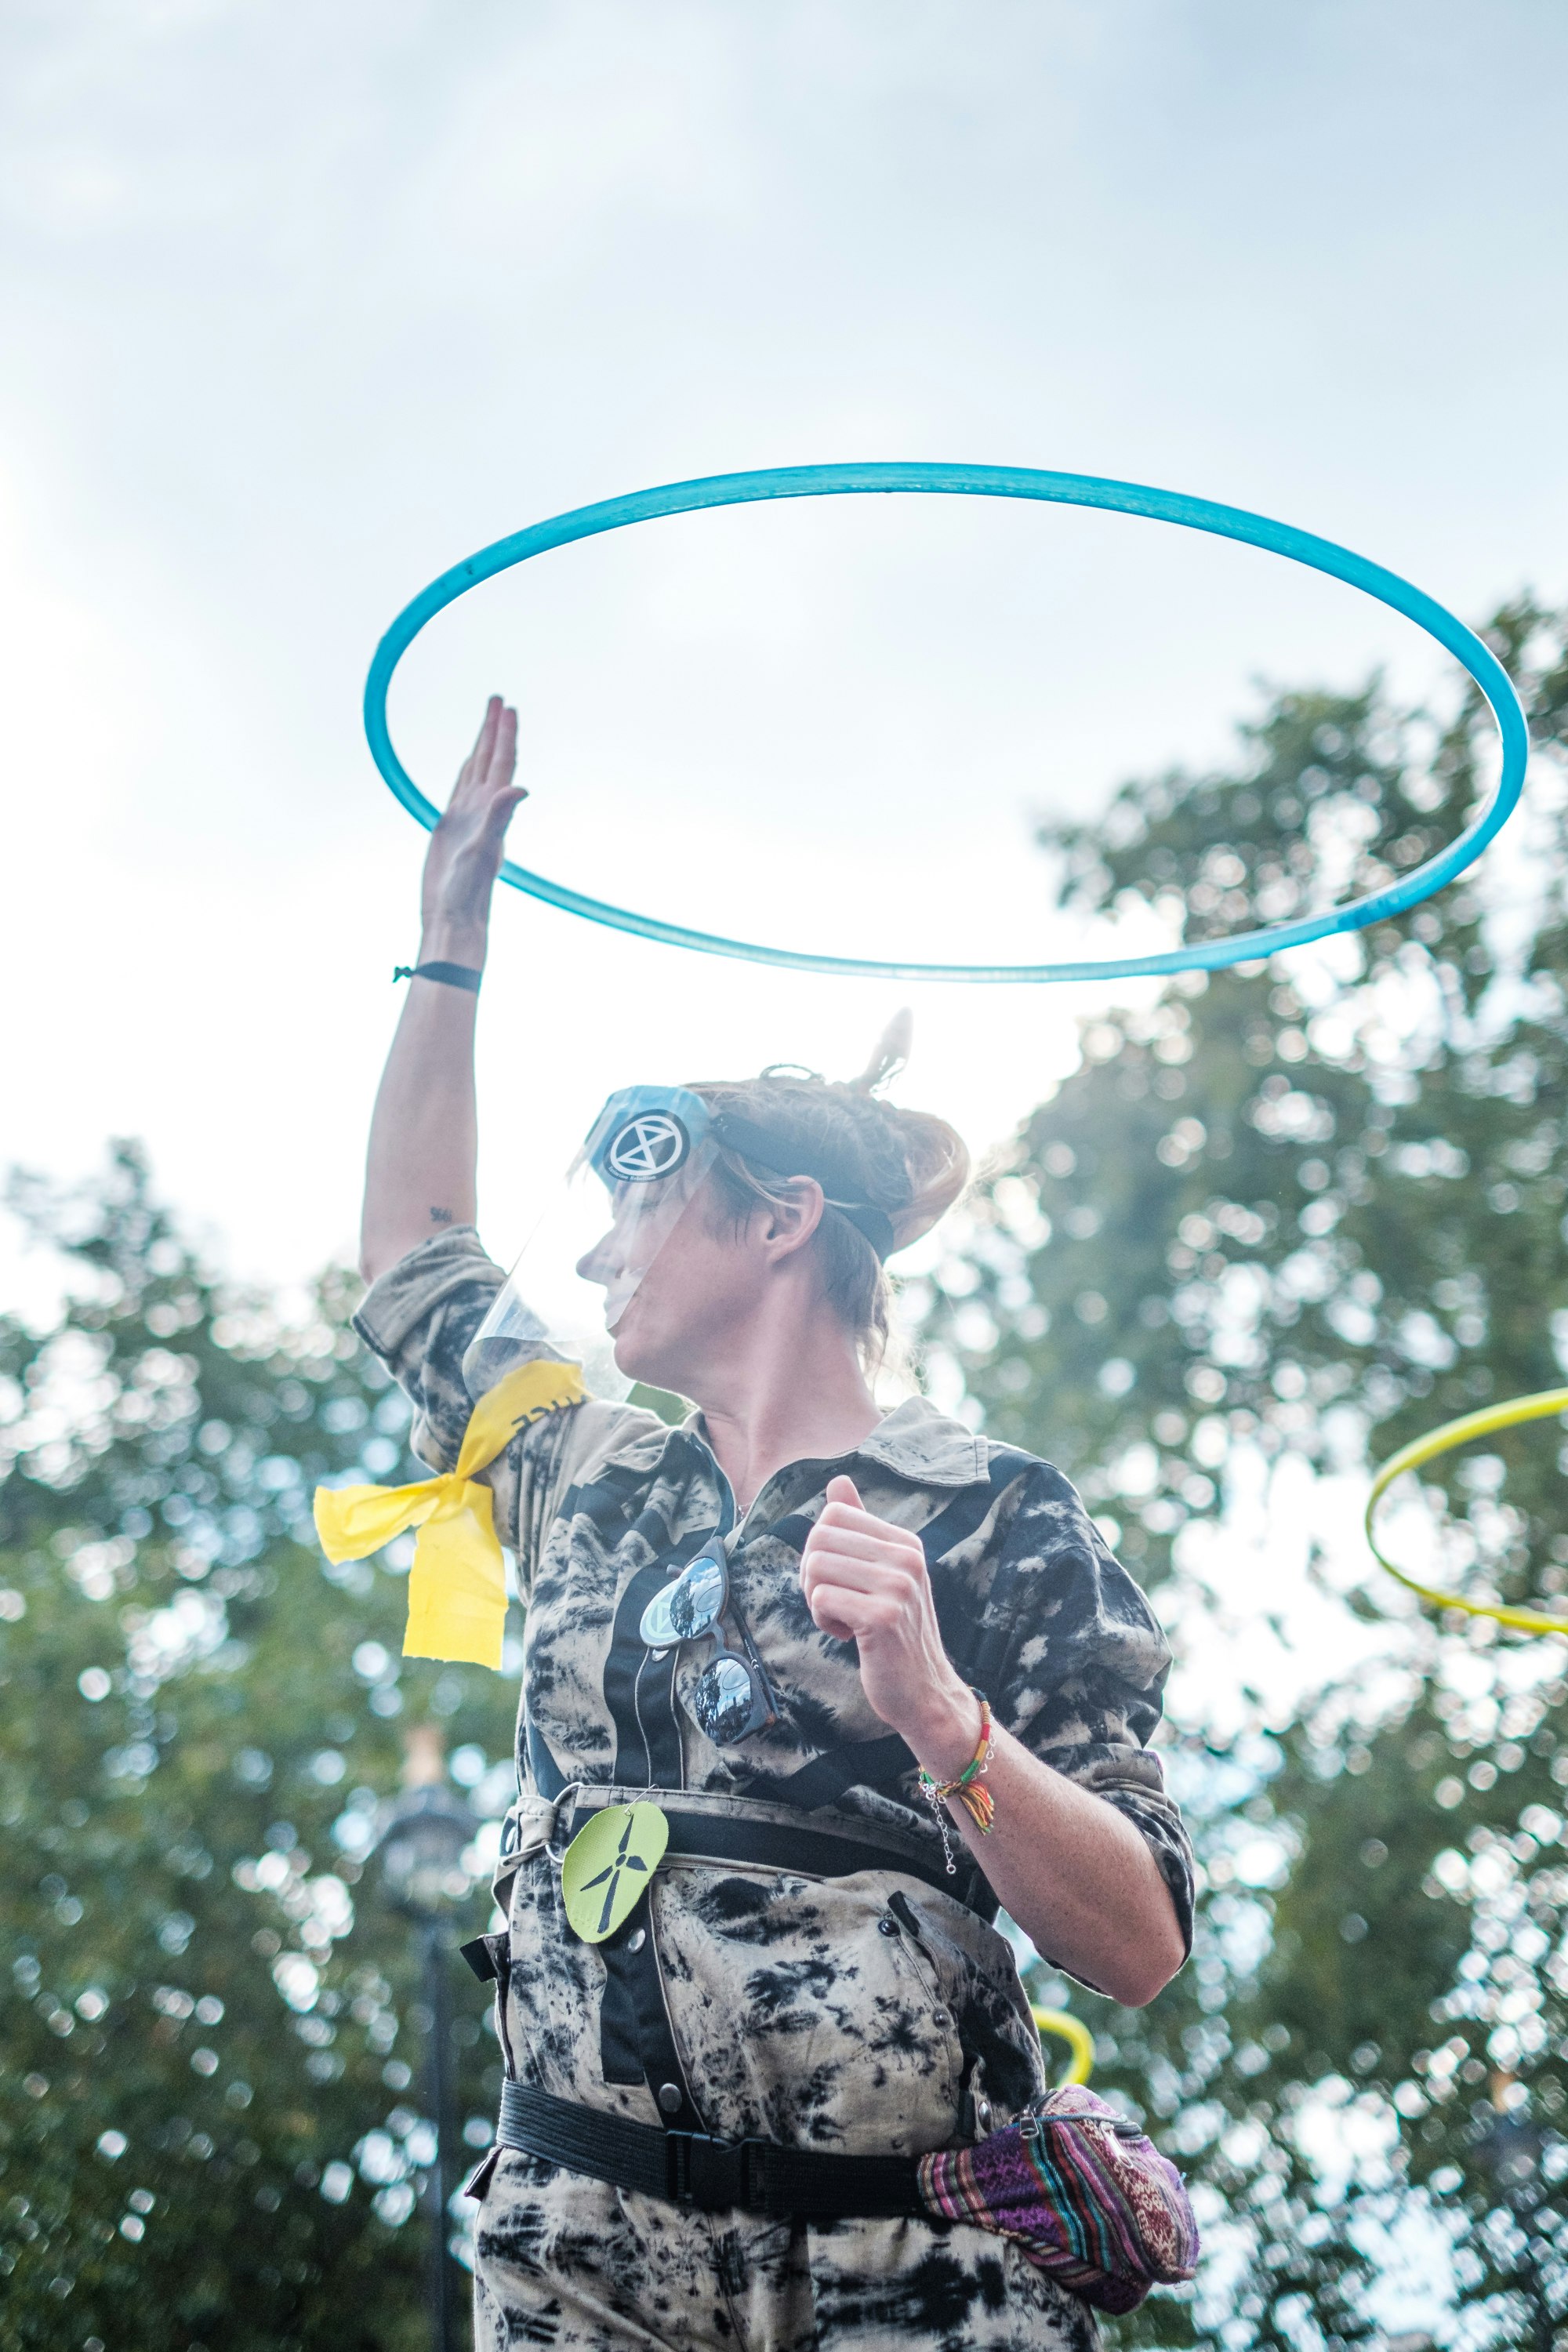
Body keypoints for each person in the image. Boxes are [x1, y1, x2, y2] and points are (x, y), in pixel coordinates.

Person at [354, 698, 1193, 2351]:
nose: (592, 1262)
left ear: (781, 1220)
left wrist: (942, 1718)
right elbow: (412, 1254)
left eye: (637, 1204)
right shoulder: (582, 1468)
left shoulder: (995, 1510)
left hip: (910, 2272)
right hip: (581, 2255)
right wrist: (445, 951)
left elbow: (1135, 1942)